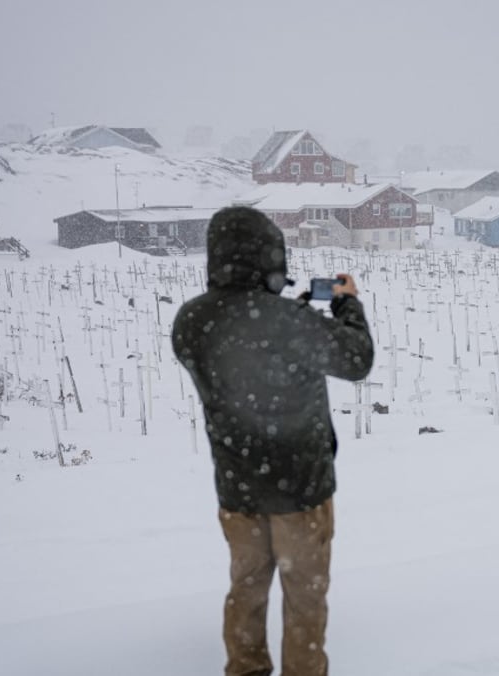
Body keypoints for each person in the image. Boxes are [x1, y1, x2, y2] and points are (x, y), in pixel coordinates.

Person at [171, 206, 374, 676]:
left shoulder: (190, 321)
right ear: (270, 258)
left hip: (238, 489)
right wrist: (347, 304)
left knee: (247, 588)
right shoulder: (288, 322)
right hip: (301, 490)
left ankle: (245, 667)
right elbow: (356, 358)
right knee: (304, 598)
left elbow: (246, 348)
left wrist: (286, 315)